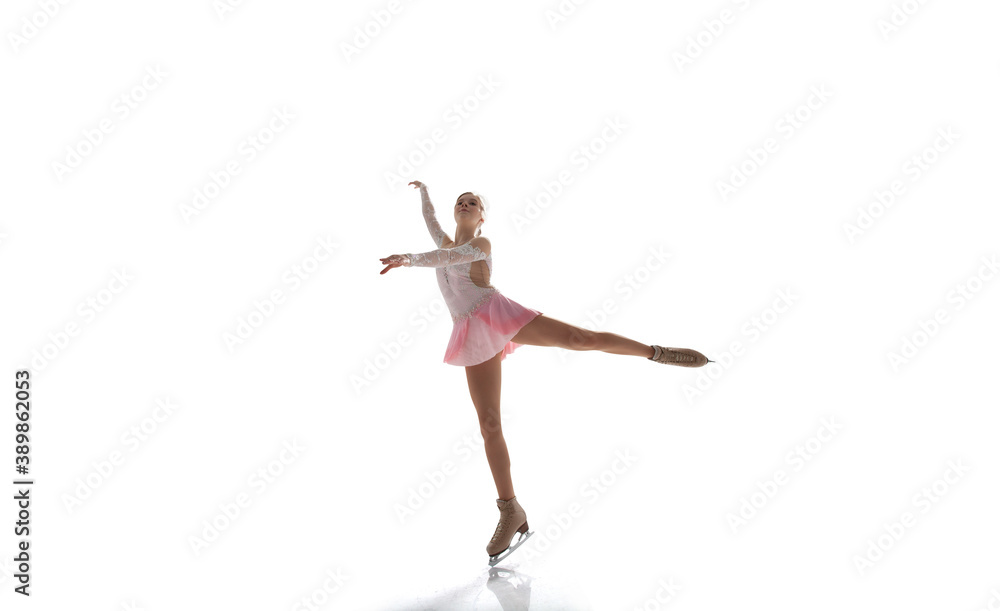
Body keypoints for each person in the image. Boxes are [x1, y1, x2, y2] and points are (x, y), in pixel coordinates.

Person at [380, 180, 711, 565]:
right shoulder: (443, 242)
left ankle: (656, 352)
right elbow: (430, 218)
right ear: (456, 213)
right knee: (489, 424)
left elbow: (444, 261)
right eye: (461, 201)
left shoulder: (481, 246)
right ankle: (510, 509)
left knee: (578, 338)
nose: (466, 204)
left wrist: (407, 257)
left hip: (495, 312)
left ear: (482, 218)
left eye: (473, 202)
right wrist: (422, 191)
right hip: (470, 330)